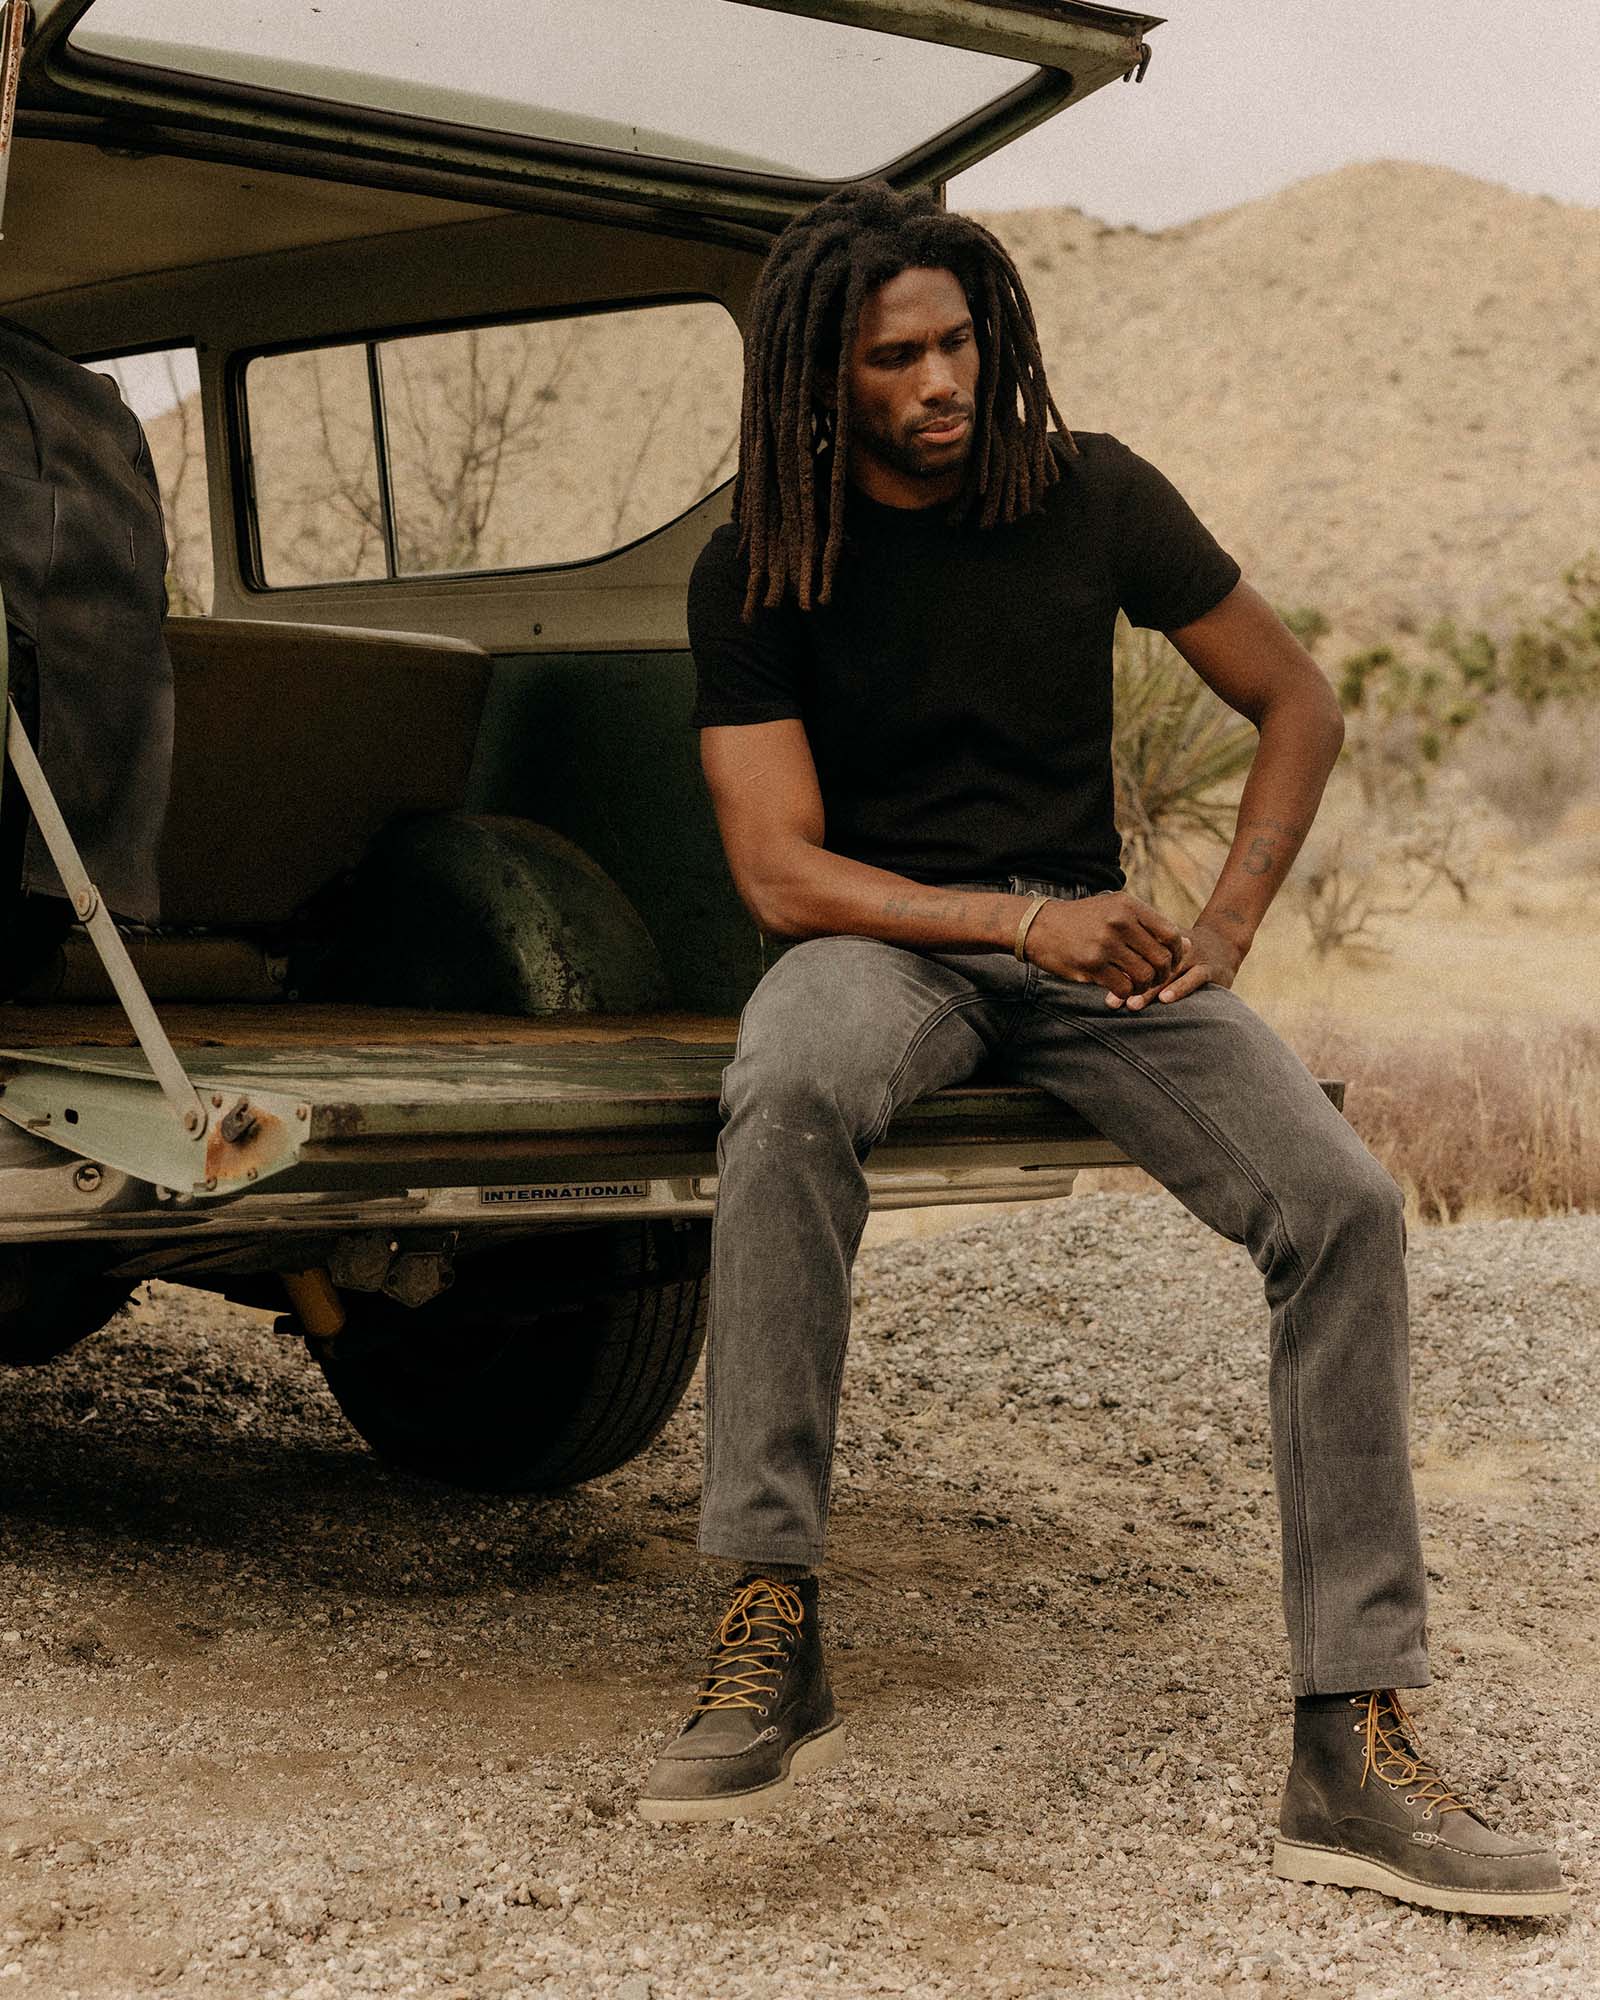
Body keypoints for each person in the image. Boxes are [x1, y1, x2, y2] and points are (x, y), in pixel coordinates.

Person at [635, 183, 1566, 1918]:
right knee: (784, 1090)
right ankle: (771, 1611)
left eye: (957, 343)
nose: (939, 382)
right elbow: (778, 869)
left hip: (1096, 952)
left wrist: (1224, 929)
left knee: (1345, 1202)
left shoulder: (1095, 497)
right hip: (885, 943)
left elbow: (1297, 697)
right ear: (819, 386)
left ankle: (1349, 1739)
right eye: (894, 357)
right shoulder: (765, 557)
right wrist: (1007, 923)